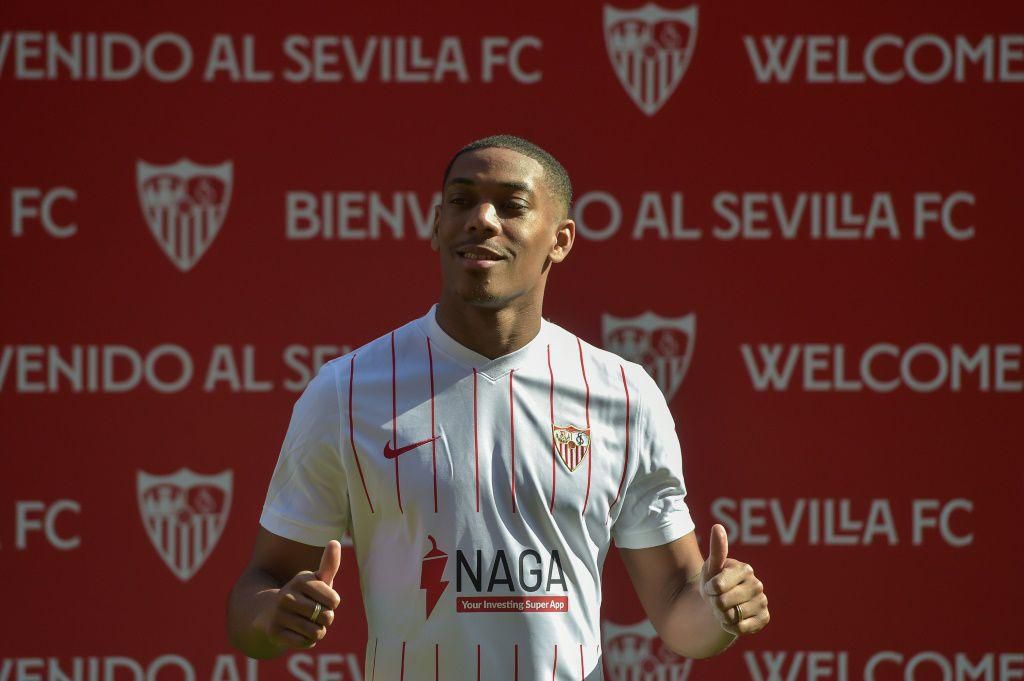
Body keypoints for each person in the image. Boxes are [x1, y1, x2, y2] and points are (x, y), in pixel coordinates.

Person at [226, 135, 769, 678]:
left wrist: (720, 608)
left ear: (560, 240)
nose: (482, 219)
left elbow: (679, 608)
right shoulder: (346, 390)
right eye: (462, 202)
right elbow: (257, 591)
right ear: (437, 226)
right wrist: (275, 615)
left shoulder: (624, 394)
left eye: (511, 205)